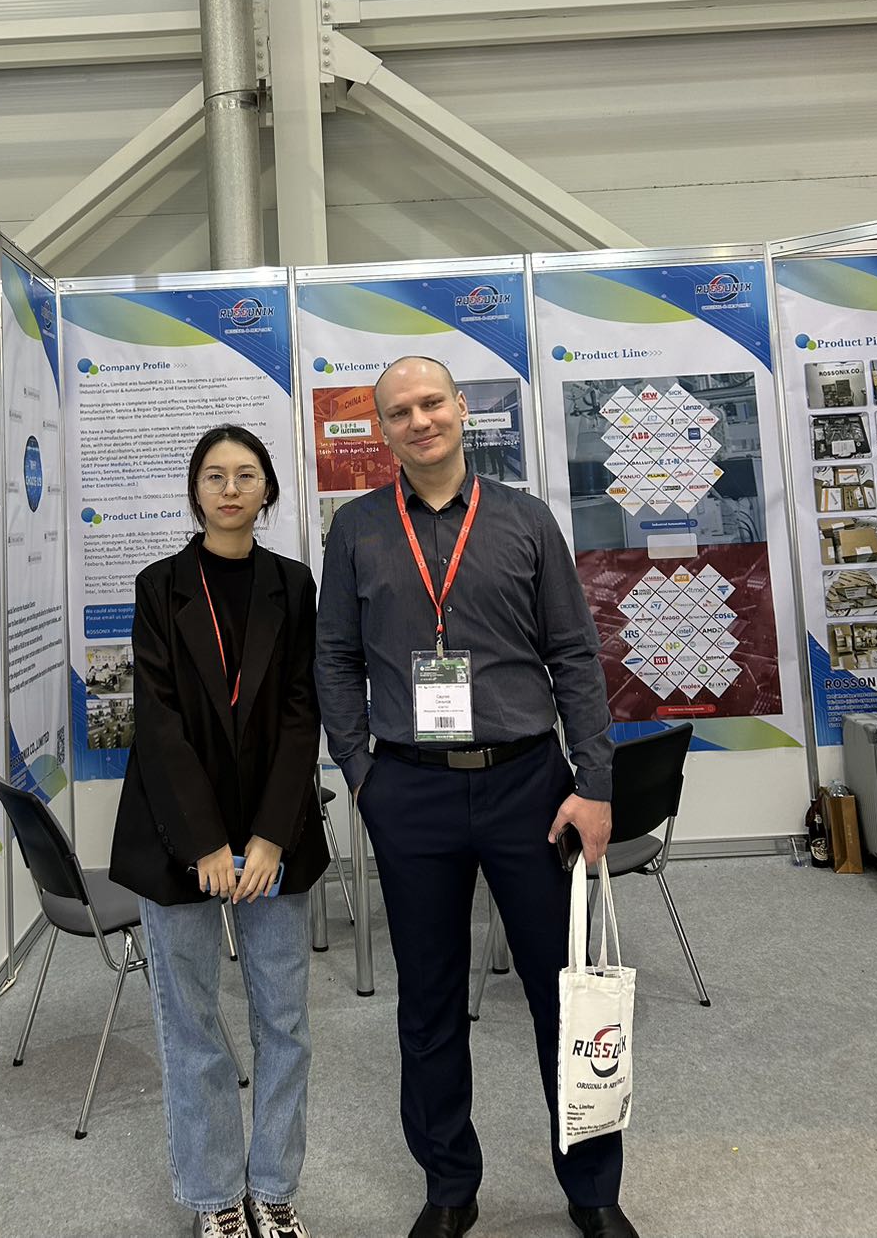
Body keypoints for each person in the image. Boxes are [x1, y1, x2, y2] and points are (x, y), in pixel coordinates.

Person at [315, 357, 639, 1238]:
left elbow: (574, 655)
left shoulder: (526, 519)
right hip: (409, 790)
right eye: (399, 411)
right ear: (382, 429)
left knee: (563, 995)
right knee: (427, 1001)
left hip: (528, 784)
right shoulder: (356, 529)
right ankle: (450, 1184)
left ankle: (592, 1188)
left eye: (432, 402)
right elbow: (335, 658)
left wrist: (594, 784)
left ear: (462, 409)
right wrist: (362, 773)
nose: (419, 420)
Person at [110, 425, 327, 1238]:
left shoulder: (292, 584)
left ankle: (272, 1185)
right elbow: (158, 721)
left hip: (275, 834)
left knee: (285, 1022)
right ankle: (214, 1197)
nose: (230, 489)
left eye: (245, 475)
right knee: (191, 1023)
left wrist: (269, 837)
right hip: (179, 834)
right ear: (195, 490)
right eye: (214, 475)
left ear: (268, 489)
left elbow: (302, 712)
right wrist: (205, 840)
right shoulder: (158, 586)